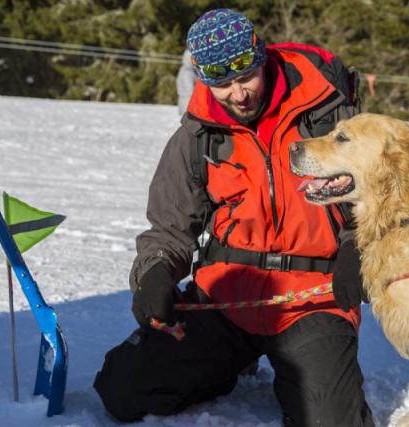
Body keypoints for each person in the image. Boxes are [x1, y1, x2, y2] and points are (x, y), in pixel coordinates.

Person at [94, 8, 372, 426]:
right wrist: (154, 273)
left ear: (262, 58)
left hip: (313, 299)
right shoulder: (197, 134)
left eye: (246, 77)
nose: (238, 94)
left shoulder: (327, 111)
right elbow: (169, 227)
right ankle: (222, 366)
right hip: (226, 298)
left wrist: (359, 246)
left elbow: (381, 192)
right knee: (123, 388)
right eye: (222, 84)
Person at [176, 49, 197, 114]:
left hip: (185, 100)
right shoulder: (187, 72)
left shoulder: (184, 69)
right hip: (187, 101)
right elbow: (190, 89)